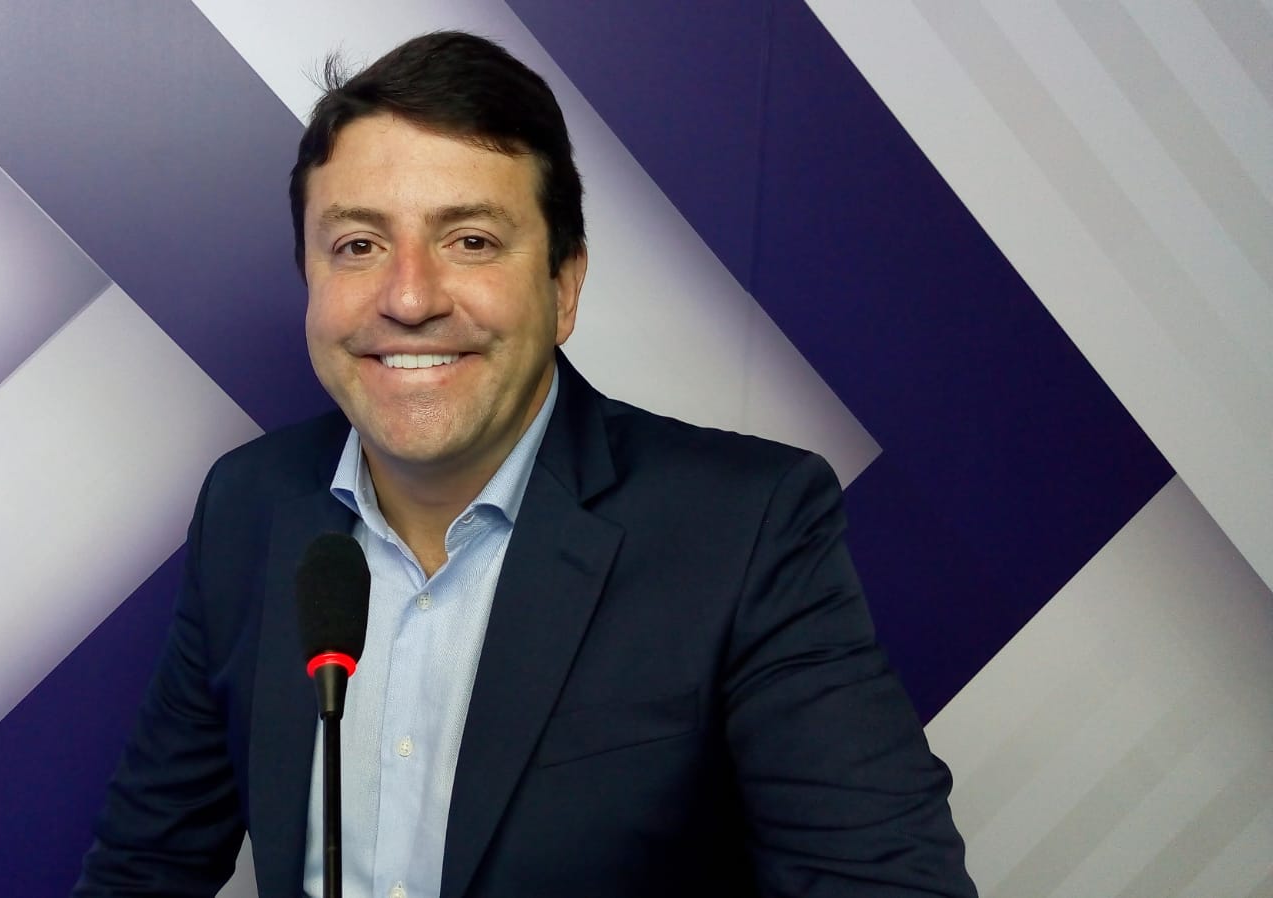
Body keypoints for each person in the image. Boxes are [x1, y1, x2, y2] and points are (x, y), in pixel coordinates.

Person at [74, 30, 975, 898]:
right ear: (311, 277)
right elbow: (141, 870)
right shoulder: (248, 503)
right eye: (359, 245)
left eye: (470, 239)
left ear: (564, 285)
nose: (410, 297)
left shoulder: (746, 528)